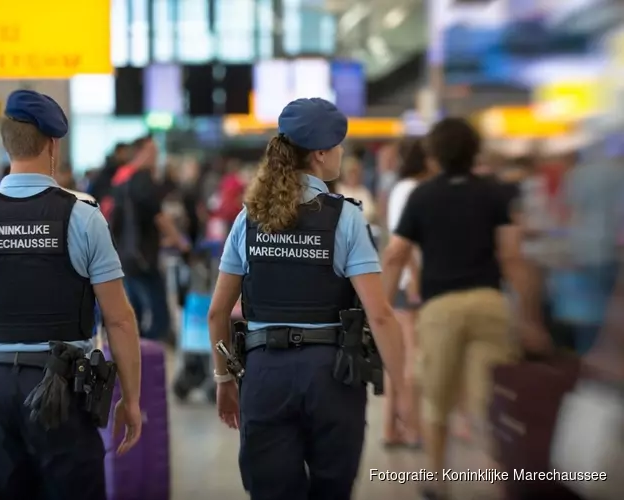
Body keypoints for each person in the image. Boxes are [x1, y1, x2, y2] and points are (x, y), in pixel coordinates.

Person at [0, 90, 143, 500]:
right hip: (63, 389)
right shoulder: (82, 218)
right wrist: (131, 399)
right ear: (53, 145)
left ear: (8, 144)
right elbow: (119, 319)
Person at [208, 98, 407, 500]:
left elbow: (217, 314)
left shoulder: (249, 219)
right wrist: (401, 389)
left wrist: (224, 378)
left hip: (264, 374)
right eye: (338, 146)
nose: (340, 154)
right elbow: (380, 315)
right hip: (332, 375)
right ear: (320, 154)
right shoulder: (346, 218)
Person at [382, 118, 551, 500]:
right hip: (489, 303)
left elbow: (395, 255)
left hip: (441, 308)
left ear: (435, 154)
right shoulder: (495, 193)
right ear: (474, 151)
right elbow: (511, 257)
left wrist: (385, 307)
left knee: (437, 397)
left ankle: (437, 480)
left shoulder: (421, 196)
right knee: (488, 400)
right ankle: (500, 479)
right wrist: (529, 317)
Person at [382, 138, 435, 449]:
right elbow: (407, 242)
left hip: (406, 280)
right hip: (409, 283)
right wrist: (415, 278)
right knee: (412, 358)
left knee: (401, 358)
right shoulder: (411, 190)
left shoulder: (403, 188)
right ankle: (412, 427)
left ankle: (392, 427)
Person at [108, 137, 188, 342]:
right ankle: (151, 353)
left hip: (125, 254)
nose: (156, 155)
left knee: (134, 309)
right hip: (143, 256)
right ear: (141, 153)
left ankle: (137, 351)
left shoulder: (121, 179)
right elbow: (158, 216)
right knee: (159, 313)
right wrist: (180, 242)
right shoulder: (143, 179)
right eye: (152, 151)